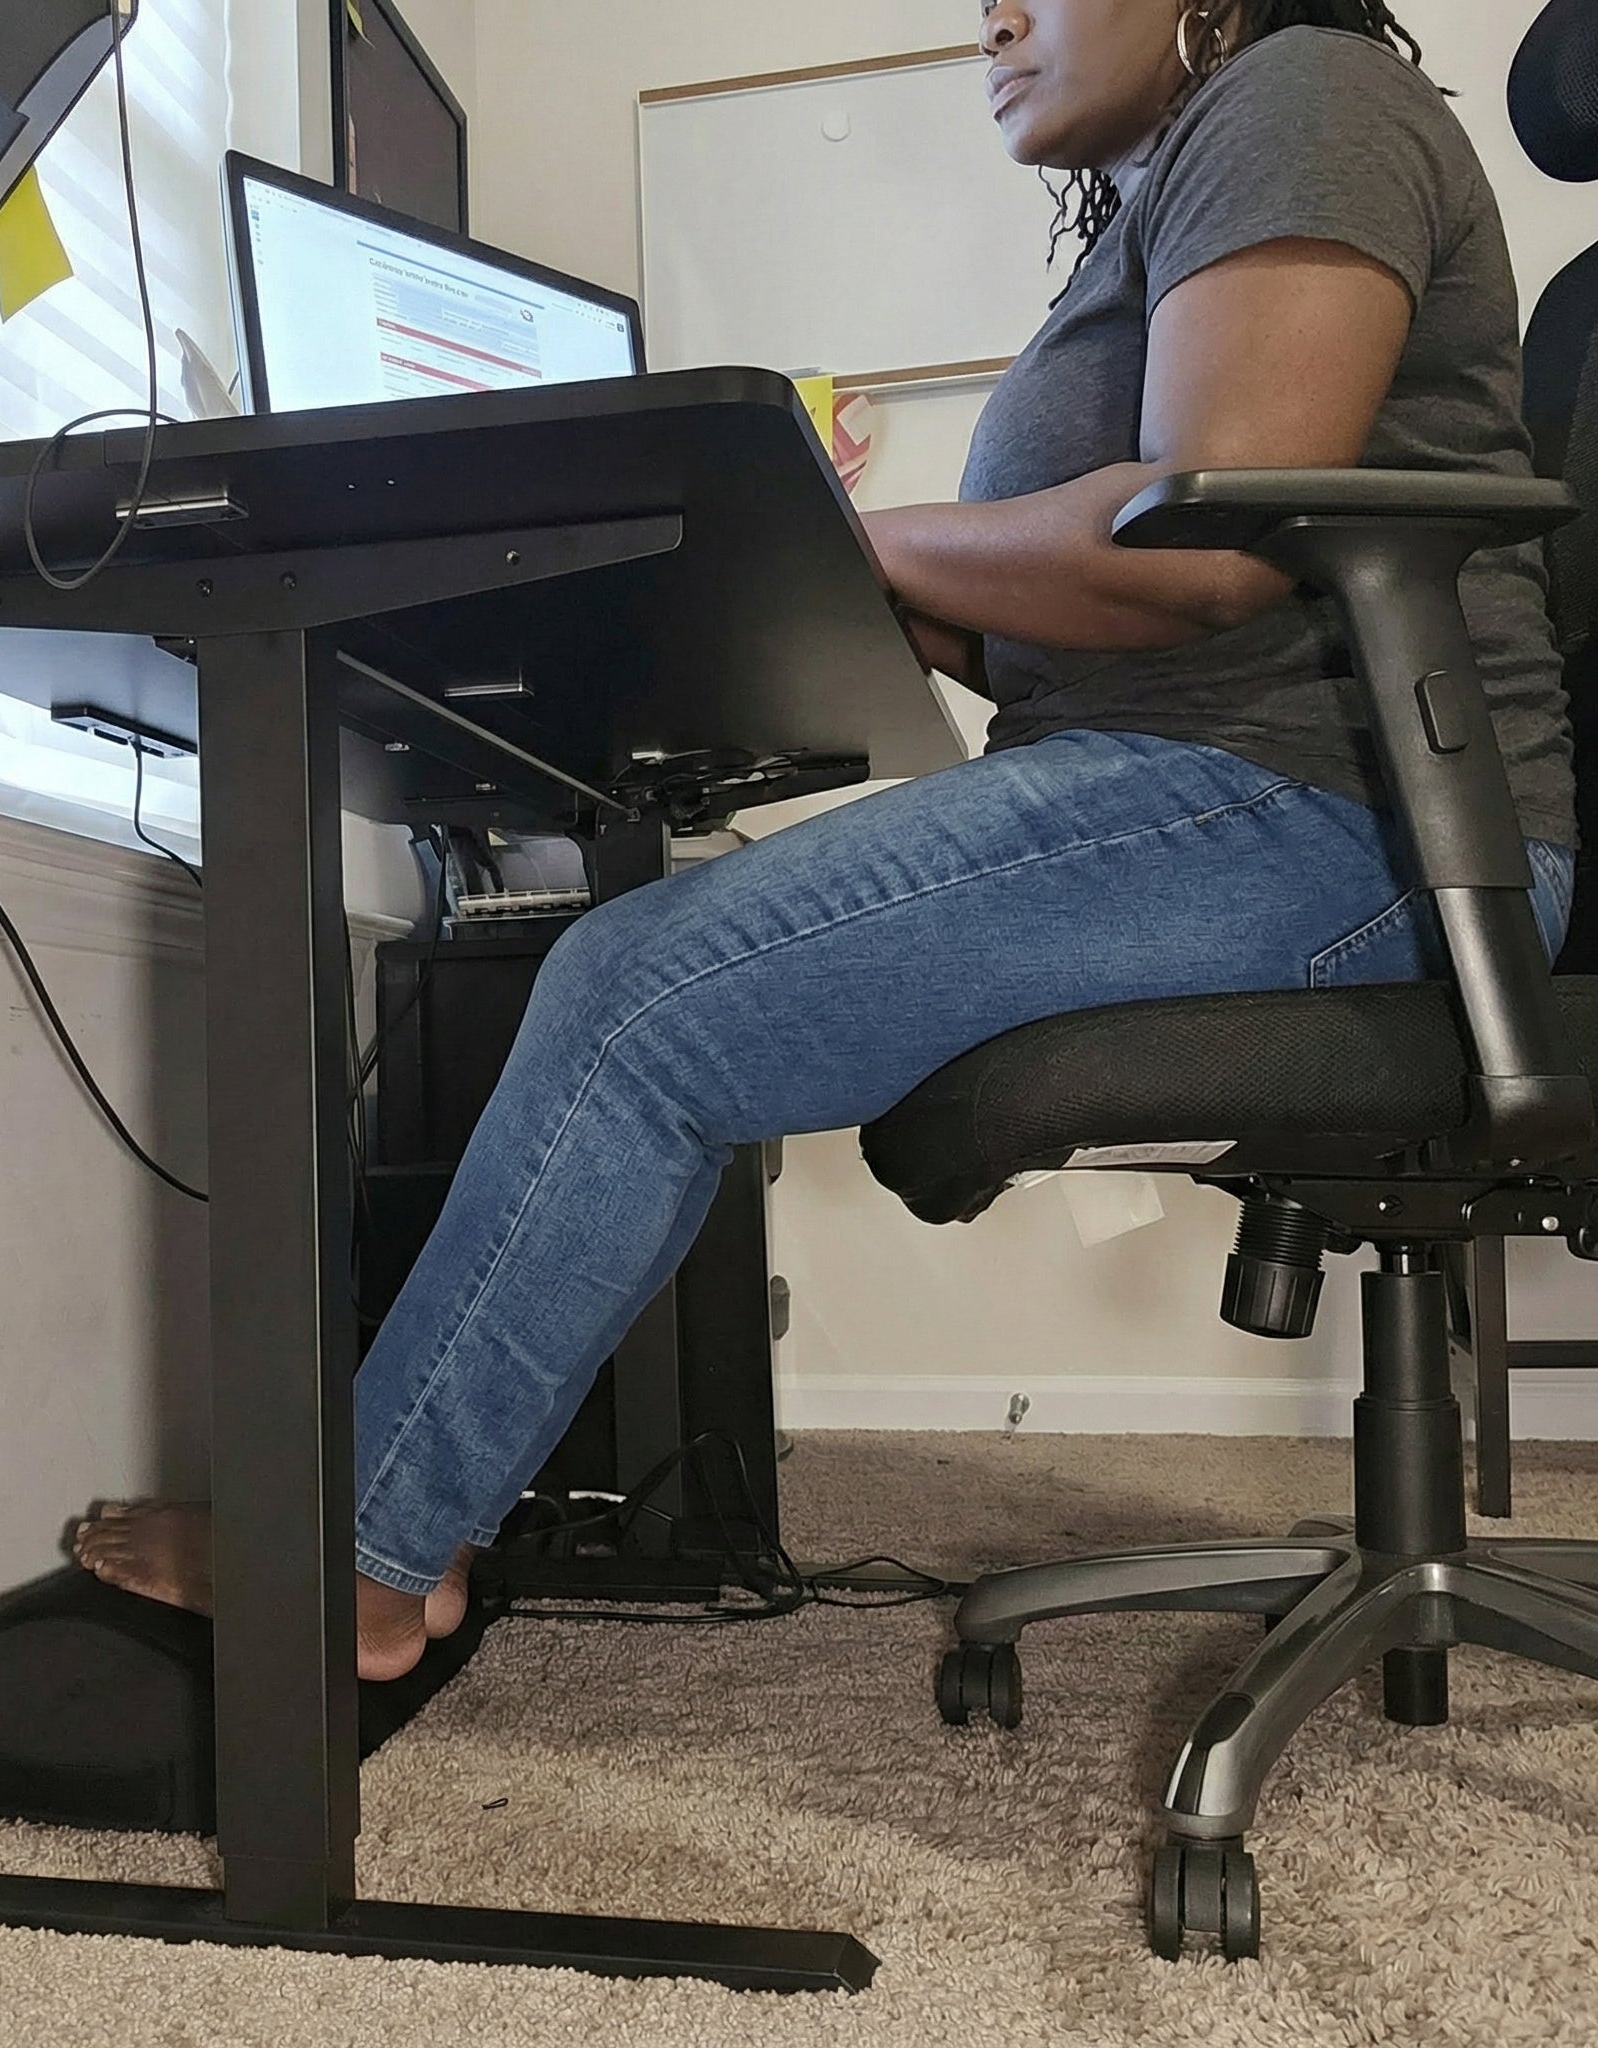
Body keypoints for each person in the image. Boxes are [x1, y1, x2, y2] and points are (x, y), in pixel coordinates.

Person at [77, 0, 1578, 1679]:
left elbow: (1199, 547)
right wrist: (813, 571)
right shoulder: (1187, 187)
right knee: (648, 985)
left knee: (633, 999)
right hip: (1245, 789)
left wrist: (836, 533)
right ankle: (397, 1519)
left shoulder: (1306, 94)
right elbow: (1088, 608)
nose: (994, 16)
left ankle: (361, 1556)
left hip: (1340, 818)